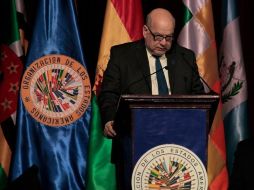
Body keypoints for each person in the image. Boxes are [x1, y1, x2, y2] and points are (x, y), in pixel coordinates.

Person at [99, 8, 204, 137]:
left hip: (178, 135)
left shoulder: (185, 57)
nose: (164, 43)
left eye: (169, 37)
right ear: (145, 31)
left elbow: (198, 97)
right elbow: (109, 93)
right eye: (158, 36)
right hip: (134, 134)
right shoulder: (122, 56)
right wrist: (109, 119)